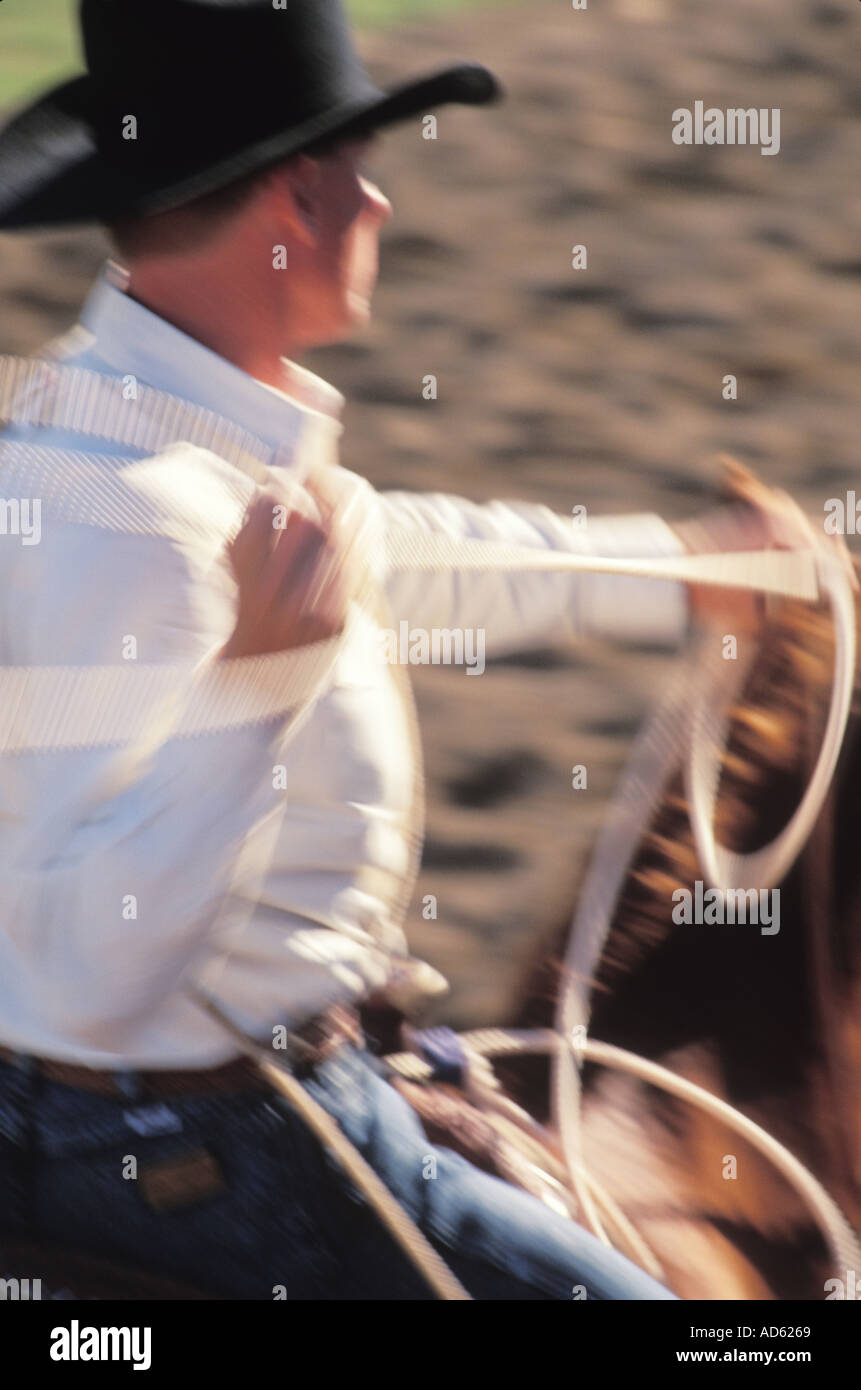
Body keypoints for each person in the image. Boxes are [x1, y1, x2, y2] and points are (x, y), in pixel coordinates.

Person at [0, 0, 784, 1300]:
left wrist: (682, 570)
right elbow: (90, 980)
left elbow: (400, 555)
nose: (381, 207)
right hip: (220, 1147)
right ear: (293, 199)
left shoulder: (119, 432)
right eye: (362, 174)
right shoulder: (146, 517)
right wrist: (258, 689)